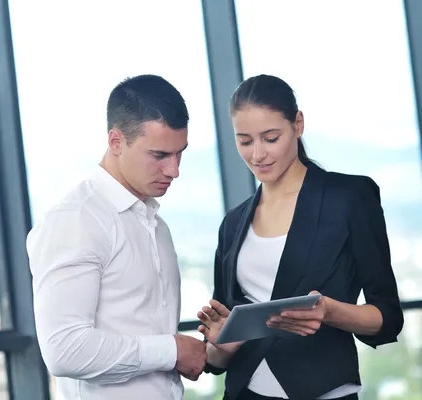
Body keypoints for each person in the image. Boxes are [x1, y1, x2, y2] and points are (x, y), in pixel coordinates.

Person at [197, 74, 404, 400]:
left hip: (324, 391)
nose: (258, 155)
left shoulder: (349, 197)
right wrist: (220, 345)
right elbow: (219, 351)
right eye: (245, 141)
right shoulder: (233, 223)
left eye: (270, 137)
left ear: (298, 124)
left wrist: (330, 311)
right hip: (244, 391)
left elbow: (388, 317)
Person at [26, 74, 208, 400]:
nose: (174, 170)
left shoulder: (156, 226)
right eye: (159, 155)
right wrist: (172, 350)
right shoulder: (76, 219)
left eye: (179, 153)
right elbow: (64, 349)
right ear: (115, 142)